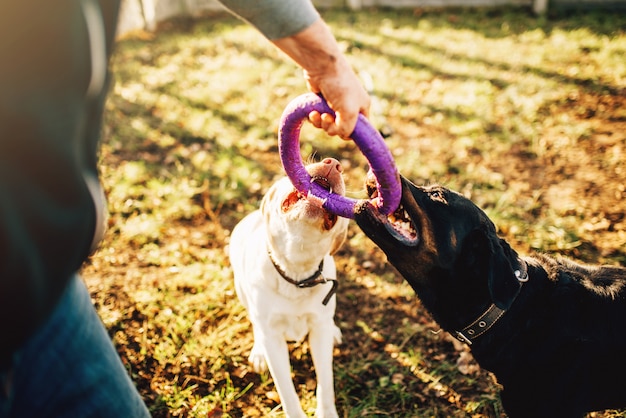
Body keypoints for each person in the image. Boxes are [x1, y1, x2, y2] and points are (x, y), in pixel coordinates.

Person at [0, 0, 369, 416]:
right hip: (32, 263)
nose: (334, 164)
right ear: (266, 209)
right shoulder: (252, 244)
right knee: (266, 328)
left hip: (49, 287)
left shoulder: (328, 271)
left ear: (336, 242)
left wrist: (325, 60)